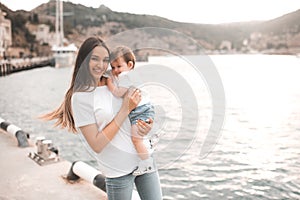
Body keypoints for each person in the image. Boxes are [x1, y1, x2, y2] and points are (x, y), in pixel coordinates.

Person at [41, 36, 163, 200]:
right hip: (118, 170)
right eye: (95, 59)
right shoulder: (80, 97)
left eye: (105, 59)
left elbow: (139, 108)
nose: (101, 64)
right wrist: (125, 109)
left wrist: (146, 125)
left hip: (144, 161)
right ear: (84, 61)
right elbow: (97, 144)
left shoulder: (116, 81)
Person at [107, 46, 155, 176]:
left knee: (136, 140)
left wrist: (109, 83)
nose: (116, 70)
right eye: (113, 67)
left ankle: (147, 163)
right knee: (139, 137)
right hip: (144, 109)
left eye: (119, 66)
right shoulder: (132, 74)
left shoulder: (126, 76)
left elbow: (118, 93)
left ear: (129, 64)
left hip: (141, 111)